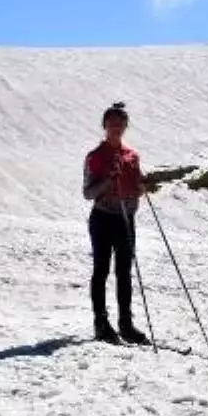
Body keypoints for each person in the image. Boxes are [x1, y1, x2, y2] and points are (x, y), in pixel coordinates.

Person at [82, 101, 152, 345]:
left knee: (124, 272)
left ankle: (125, 324)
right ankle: (101, 323)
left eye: (120, 124)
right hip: (103, 217)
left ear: (125, 126)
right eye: (111, 123)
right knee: (101, 269)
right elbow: (88, 193)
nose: (115, 128)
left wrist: (142, 186)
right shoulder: (95, 157)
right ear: (104, 125)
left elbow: (136, 188)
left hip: (126, 218)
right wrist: (108, 181)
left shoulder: (132, 156)